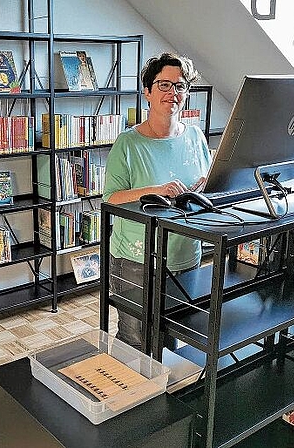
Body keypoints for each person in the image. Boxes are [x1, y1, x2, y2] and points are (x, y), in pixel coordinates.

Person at [102, 52, 212, 350]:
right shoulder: (128, 142)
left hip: (187, 257)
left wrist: (206, 187)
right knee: (137, 343)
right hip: (138, 260)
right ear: (147, 92)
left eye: (180, 86)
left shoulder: (196, 137)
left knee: (173, 342)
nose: (172, 93)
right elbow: (110, 198)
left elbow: (204, 185)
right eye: (164, 85)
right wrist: (155, 190)